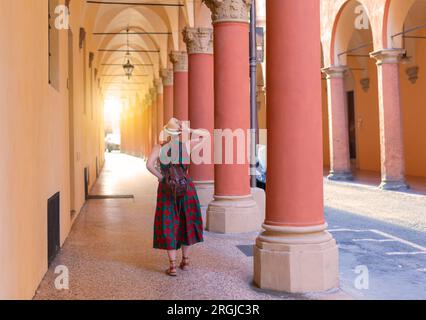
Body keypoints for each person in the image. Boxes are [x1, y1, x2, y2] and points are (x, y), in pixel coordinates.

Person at [146, 118, 206, 276]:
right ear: (179, 133)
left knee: (169, 224)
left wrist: (161, 177)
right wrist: (188, 130)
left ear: (166, 132)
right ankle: (185, 261)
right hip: (186, 188)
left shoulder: (159, 147)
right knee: (187, 222)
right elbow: (205, 136)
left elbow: (149, 165)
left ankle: (172, 266)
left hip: (167, 189)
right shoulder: (186, 145)